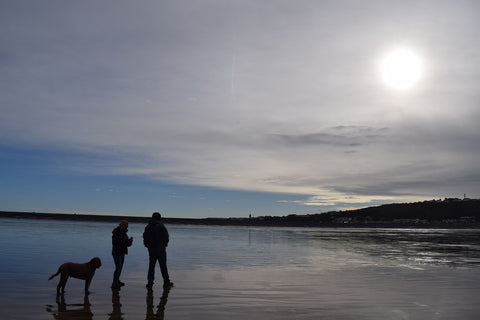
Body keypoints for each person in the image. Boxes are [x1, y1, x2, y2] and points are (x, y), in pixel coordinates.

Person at [144, 212, 173, 289]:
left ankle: (150, 283)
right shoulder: (161, 226)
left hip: (151, 249)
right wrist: (165, 244)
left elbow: (145, 237)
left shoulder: (148, 226)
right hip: (161, 249)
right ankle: (166, 282)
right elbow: (166, 237)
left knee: (151, 266)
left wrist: (147, 246)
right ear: (159, 218)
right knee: (163, 266)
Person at [111, 220, 133, 289]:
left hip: (122, 252)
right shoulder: (116, 232)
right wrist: (127, 241)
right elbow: (118, 242)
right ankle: (114, 283)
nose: (127, 227)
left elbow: (127, 244)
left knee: (120, 268)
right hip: (117, 252)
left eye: (127, 226)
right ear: (122, 225)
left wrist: (130, 242)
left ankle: (117, 280)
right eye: (126, 226)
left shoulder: (124, 233)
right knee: (118, 268)